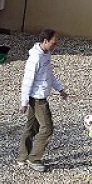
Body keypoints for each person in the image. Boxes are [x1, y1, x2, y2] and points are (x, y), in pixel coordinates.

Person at [16, 28, 68, 172]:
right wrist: (24, 102)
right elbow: (27, 81)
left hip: (39, 96)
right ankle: (34, 159)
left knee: (32, 127)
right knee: (47, 128)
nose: (55, 46)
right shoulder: (35, 58)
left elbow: (49, 75)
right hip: (38, 99)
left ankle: (22, 156)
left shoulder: (47, 54)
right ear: (45, 41)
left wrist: (60, 89)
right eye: (53, 43)